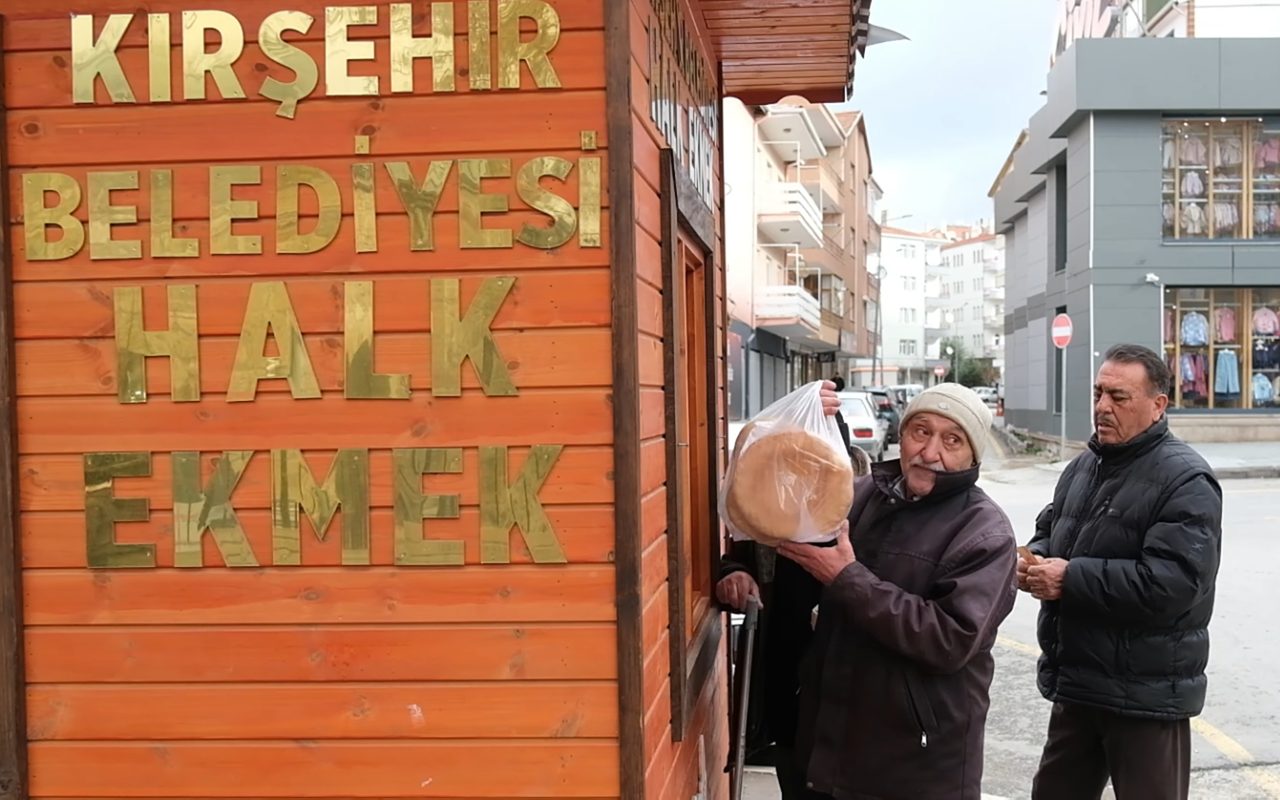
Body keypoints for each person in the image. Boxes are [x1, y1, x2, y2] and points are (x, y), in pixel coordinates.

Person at [783, 382, 1017, 800]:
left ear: (973, 456)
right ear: (902, 434)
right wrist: (803, 427)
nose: (930, 452)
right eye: (920, 431)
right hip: (830, 757)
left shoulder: (984, 532)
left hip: (916, 771)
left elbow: (950, 639)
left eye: (952, 440)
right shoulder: (857, 496)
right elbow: (784, 511)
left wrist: (848, 578)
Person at [1020, 344, 1222, 800]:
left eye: (1118, 397)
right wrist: (1033, 561)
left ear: (1158, 405)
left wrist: (1069, 579)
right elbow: (1051, 530)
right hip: (1079, 685)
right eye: (1098, 393)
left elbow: (1172, 584)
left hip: (1147, 696)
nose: (1102, 407)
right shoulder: (1083, 466)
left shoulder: (1186, 479)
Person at [716, 381, 866, 799]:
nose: (797, 476)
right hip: (786, 689)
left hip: (849, 700)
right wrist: (732, 573)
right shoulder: (765, 514)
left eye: (810, 464)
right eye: (789, 466)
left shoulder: (859, 513)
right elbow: (736, 557)